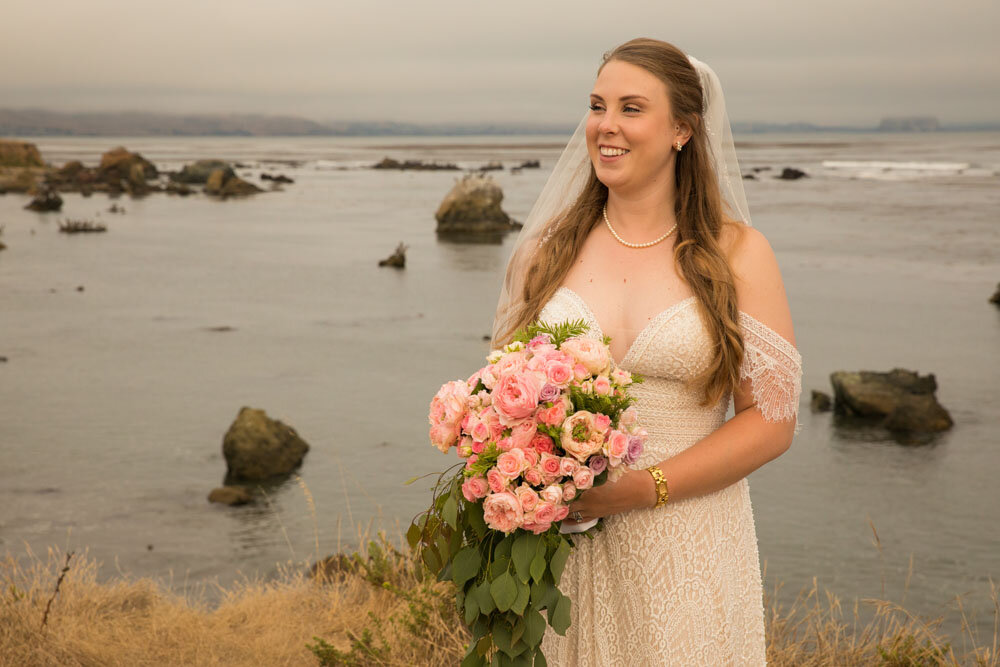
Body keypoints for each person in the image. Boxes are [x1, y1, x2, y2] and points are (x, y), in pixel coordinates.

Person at [491, 38, 803, 665]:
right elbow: (500, 399)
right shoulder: (542, 255)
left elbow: (772, 421)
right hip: (561, 558)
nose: (606, 125)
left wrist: (642, 489)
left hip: (687, 545)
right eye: (597, 106)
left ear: (682, 129)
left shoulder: (738, 254)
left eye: (631, 108)